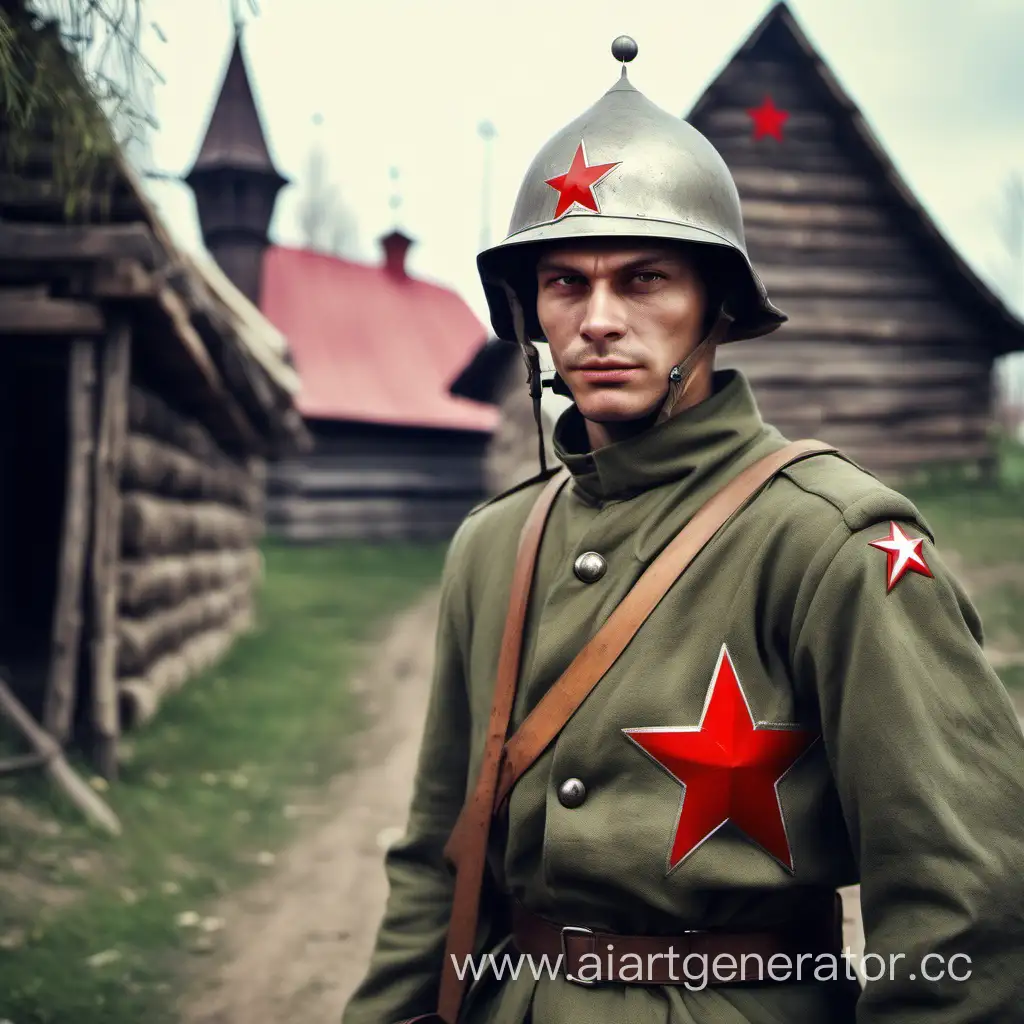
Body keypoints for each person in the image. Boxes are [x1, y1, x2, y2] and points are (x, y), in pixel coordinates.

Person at [342, 37, 1024, 1024]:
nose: (598, 319)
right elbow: (431, 859)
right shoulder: (491, 547)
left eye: (644, 278)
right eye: (566, 283)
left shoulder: (833, 541)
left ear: (715, 307)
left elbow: (969, 907)